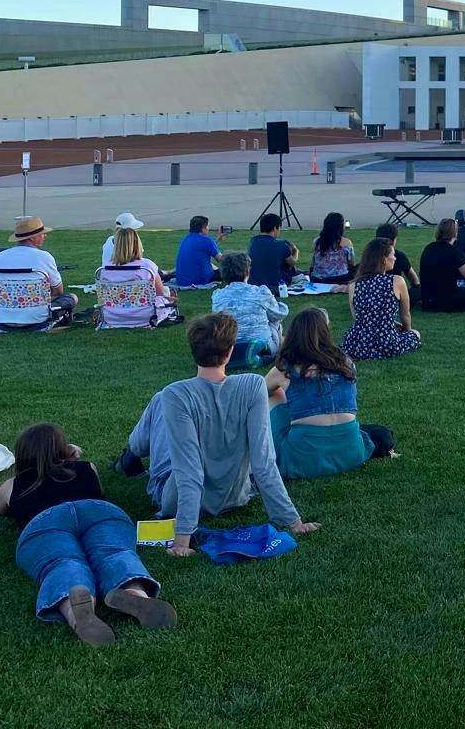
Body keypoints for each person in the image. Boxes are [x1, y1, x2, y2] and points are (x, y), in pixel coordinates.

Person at [122, 313, 317, 557]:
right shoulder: (253, 385)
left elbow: (189, 470)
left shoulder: (175, 394)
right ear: (230, 350)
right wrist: (293, 522)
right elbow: (263, 461)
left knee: (160, 401)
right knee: (166, 402)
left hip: (175, 499)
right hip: (235, 495)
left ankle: (130, 454)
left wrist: (182, 540)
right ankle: (131, 453)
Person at [0, 423, 173, 646]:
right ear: (65, 450)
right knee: (115, 553)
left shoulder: (12, 485)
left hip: (45, 522)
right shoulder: (87, 468)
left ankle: (76, 610)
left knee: (62, 562)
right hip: (98, 511)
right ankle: (135, 594)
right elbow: (100, 491)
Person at [267, 309, 381, 479]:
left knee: (275, 395)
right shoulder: (346, 363)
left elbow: (258, 392)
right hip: (351, 452)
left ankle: (268, 443)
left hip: (303, 460)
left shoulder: (285, 369)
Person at [0, 216, 78, 330]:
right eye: (42, 233)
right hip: (36, 318)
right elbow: (58, 291)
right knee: (71, 297)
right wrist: (35, 297)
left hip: (3, 318)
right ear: (32, 238)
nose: (44, 236)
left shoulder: (0, 257)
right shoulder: (44, 257)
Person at [344, 238, 420, 357]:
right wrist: (407, 331)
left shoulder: (354, 284)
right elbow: (405, 315)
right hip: (387, 342)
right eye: (393, 255)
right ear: (384, 259)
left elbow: (357, 317)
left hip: (358, 342)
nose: (395, 258)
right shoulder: (397, 281)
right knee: (415, 334)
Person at [211, 252, 287, 363]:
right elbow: (279, 314)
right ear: (247, 271)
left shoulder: (217, 295)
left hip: (228, 346)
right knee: (274, 321)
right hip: (263, 346)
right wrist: (281, 305)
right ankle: (278, 350)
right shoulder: (260, 292)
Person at [96, 227, 178, 328]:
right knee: (166, 291)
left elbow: (103, 297)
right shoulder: (146, 266)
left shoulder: (105, 269)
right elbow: (159, 294)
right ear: (137, 244)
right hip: (145, 316)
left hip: (112, 317)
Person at [247, 213, 298, 296]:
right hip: (276, 284)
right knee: (295, 271)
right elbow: (293, 262)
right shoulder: (282, 245)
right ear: (275, 228)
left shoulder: (253, 242)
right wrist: (296, 251)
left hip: (254, 283)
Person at [172, 216, 223, 290]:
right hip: (201, 279)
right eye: (207, 226)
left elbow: (204, 249)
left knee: (209, 265)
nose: (208, 229)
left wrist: (218, 240)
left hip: (182, 280)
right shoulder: (207, 240)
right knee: (229, 271)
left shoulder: (185, 238)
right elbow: (221, 260)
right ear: (203, 228)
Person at [374, 221, 420, 302]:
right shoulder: (399, 256)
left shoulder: (369, 255)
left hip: (373, 294)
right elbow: (414, 280)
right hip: (394, 294)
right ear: (394, 239)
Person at [309, 212, 356, 285]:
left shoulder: (317, 241)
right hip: (339, 278)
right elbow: (351, 265)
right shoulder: (347, 243)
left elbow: (314, 262)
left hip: (318, 278)